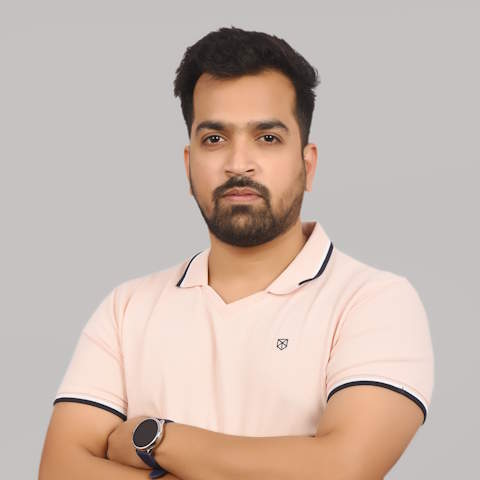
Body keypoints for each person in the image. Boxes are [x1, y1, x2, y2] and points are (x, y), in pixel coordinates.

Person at [39, 26, 434, 480]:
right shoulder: (126, 309)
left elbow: (341, 468)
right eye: (214, 139)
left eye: (267, 138)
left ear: (307, 165)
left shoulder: (374, 302)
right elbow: (59, 470)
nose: (238, 164)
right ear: (188, 165)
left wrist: (155, 438)